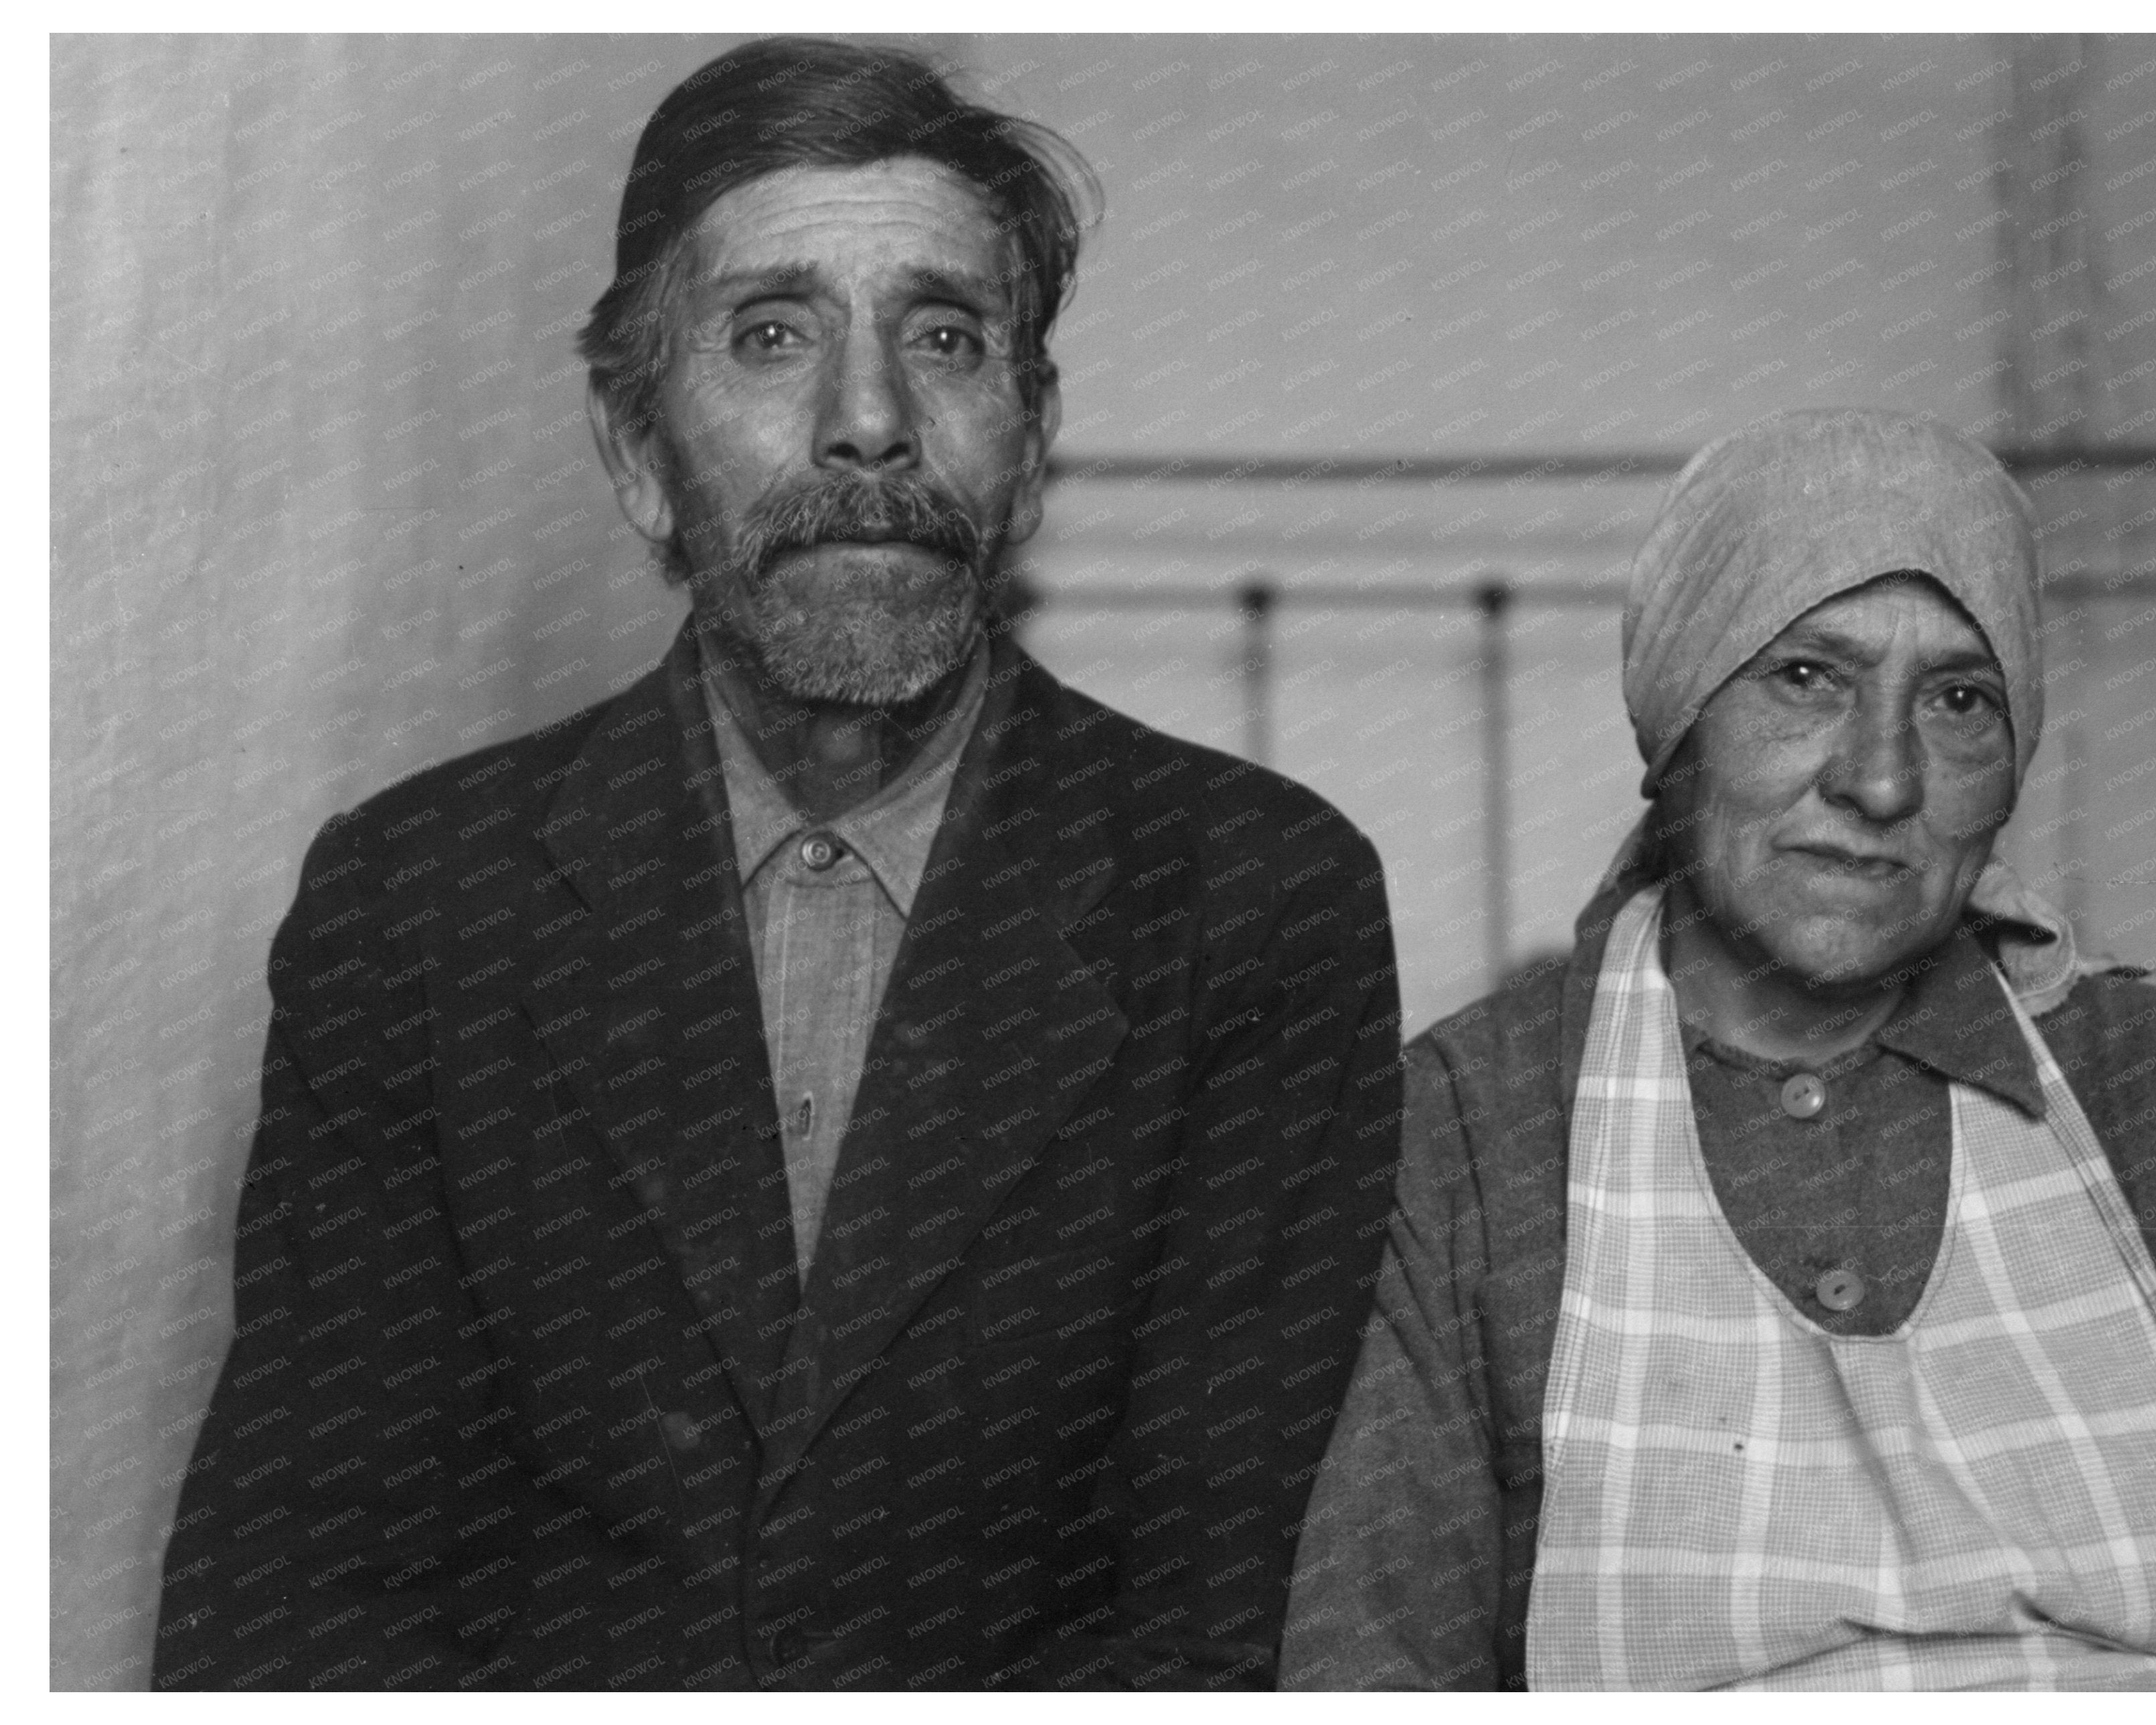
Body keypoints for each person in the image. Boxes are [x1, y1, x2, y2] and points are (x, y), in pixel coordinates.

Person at [154, 37, 1400, 1692]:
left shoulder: (1252, 899)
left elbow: (1222, 1610)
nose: (868, 421)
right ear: (635, 447)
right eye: (771, 335)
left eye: (943, 337)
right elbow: (297, 1590)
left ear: (1031, 439)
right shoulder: (421, 902)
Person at [1279, 408, 2156, 1691]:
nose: (1880, 781)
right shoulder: (1466, 1136)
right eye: (1805, 678)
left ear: (2011, 767)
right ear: (1677, 726)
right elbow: (1369, 1677)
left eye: (1957, 699)